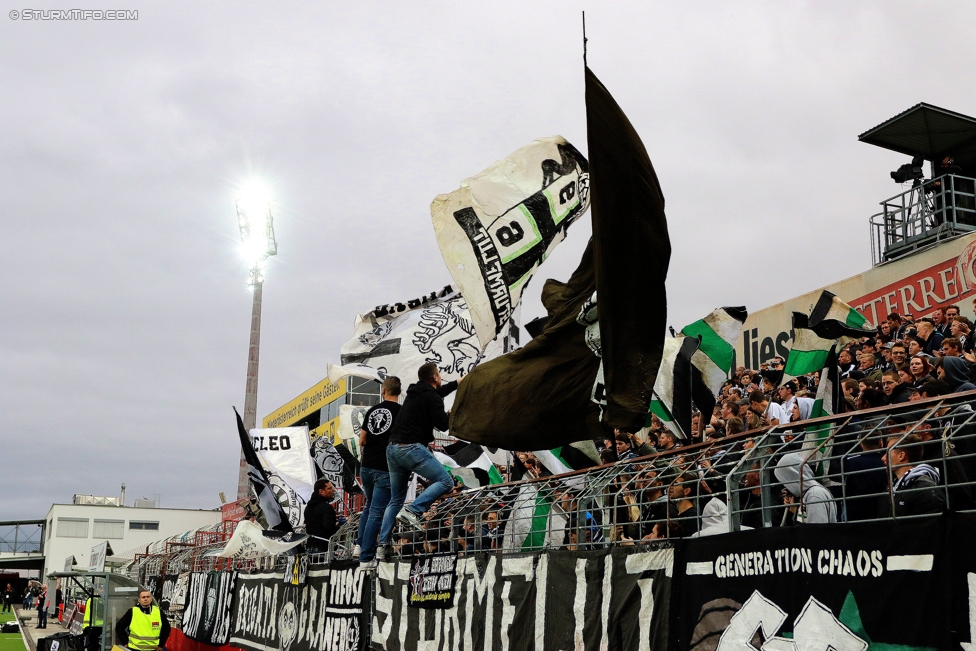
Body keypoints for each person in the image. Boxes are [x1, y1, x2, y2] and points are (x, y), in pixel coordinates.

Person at [377, 362, 458, 559]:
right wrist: (452, 413)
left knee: (395, 499)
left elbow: (438, 393)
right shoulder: (431, 396)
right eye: (439, 375)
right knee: (445, 481)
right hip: (410, 447)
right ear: (436, 378)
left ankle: (383, 545)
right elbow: (444, 425)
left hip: (392, 449)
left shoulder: (416, 393)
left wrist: (458, 382)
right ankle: (413, 510)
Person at [355, 377, 401, 568]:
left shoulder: (373, 411)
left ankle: (359, 544)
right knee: (376, 511)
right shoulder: (401, 412)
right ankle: (366, 557)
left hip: (366, 466)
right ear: (399, 391)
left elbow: (362, 440)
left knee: (369, 506)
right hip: (385, 467)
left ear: (383, 390)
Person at [879, 433, 946, 517]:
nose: (883, 458)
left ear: (901, 456)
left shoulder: (925, 490)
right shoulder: (892, 488)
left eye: (887, 452)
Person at [773, 452, 837, 523]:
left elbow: (817, 529)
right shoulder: (808, 494)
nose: (785, 489)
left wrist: (796, 511)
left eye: (785, 483)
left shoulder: (814, 495)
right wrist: (795, 510)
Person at [304, 479, 338, 553]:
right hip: (323, 548)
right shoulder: (327, 508)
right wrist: (338, 525)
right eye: (329, 488)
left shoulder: (308, 507)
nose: (333, 490)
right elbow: (329, 528)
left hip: (309, 548)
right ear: (321, 492)